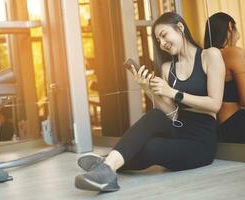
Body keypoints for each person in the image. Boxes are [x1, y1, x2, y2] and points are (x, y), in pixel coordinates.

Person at [75, 12, 225, 192]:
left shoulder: (210, 55)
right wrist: (146, 88)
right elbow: (170, 112)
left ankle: (106, 163)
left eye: (164, 35)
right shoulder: (167, 68)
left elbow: (215, 104)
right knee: (155, 116)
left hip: (200, 141)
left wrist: (173, 92)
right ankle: (107, 169)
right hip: (179, 127)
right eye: (158, 40)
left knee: (150, 147)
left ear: (180, 27)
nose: (162, 44)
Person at [204, 12, 245, 144]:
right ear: (230, 27)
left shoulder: (205, 56)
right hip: (236, 124)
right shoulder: (233, 52)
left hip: (220, 128)